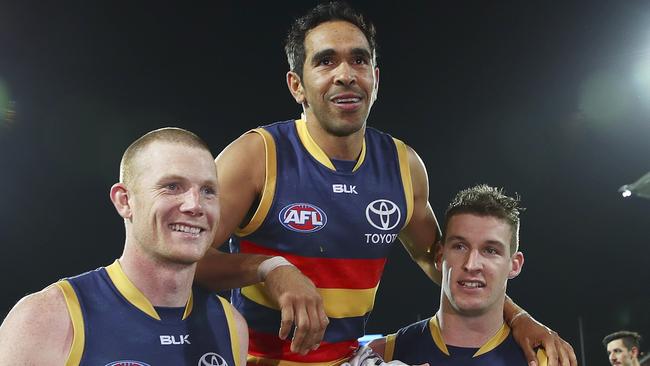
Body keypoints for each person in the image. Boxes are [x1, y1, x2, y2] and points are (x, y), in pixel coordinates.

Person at [195, 2, 576, 365]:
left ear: (374, 79)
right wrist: (271, 268)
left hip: (347, 361)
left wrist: (519, 317)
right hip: (251, 359)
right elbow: (187, 261)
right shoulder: (256, 156)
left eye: (359, 60)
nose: (345, 74)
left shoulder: (403, 166)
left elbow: (441, 261)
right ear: (297, 85)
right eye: (326, 61)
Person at [0, 128, 248, 365]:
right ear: (124, 201)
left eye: (208, 191)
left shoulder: (230, 324)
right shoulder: (46, 318)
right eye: (172, 186)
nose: (195, 205)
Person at [368, 185, 547, 365]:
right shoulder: (380, 355)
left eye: (490, 250)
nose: (471, 264)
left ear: (514, 265)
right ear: (439, 255)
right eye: (459, 247)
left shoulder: (546, 360)